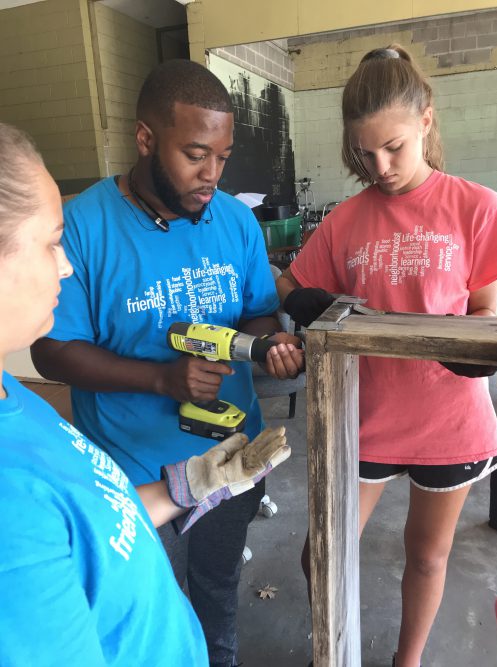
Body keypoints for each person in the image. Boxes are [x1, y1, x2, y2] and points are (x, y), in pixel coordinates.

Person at [31, 59, 303, 667]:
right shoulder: (83, 226)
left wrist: (270, 345)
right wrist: (161, 377)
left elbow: (257, 312)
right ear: (146, 139)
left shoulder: (234, 220)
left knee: (216, 591)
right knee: (149, 608)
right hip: (132, 471)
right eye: (196, 155)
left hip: (230, 456)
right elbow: (52, 352)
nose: (211, 175)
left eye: (223, 158)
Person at [277, 45, 497, 667]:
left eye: (393, 148)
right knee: (320, 551)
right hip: (364, 419)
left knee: (427, 555)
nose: (380, 167)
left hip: (450, 421)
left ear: (426, 119)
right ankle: (336, 643)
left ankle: (409, 661)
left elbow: (485, 308)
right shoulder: (346, 221)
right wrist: (308, 311)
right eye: (364, 154)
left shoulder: (476, 208)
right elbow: (291, 287)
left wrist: (472, 347)